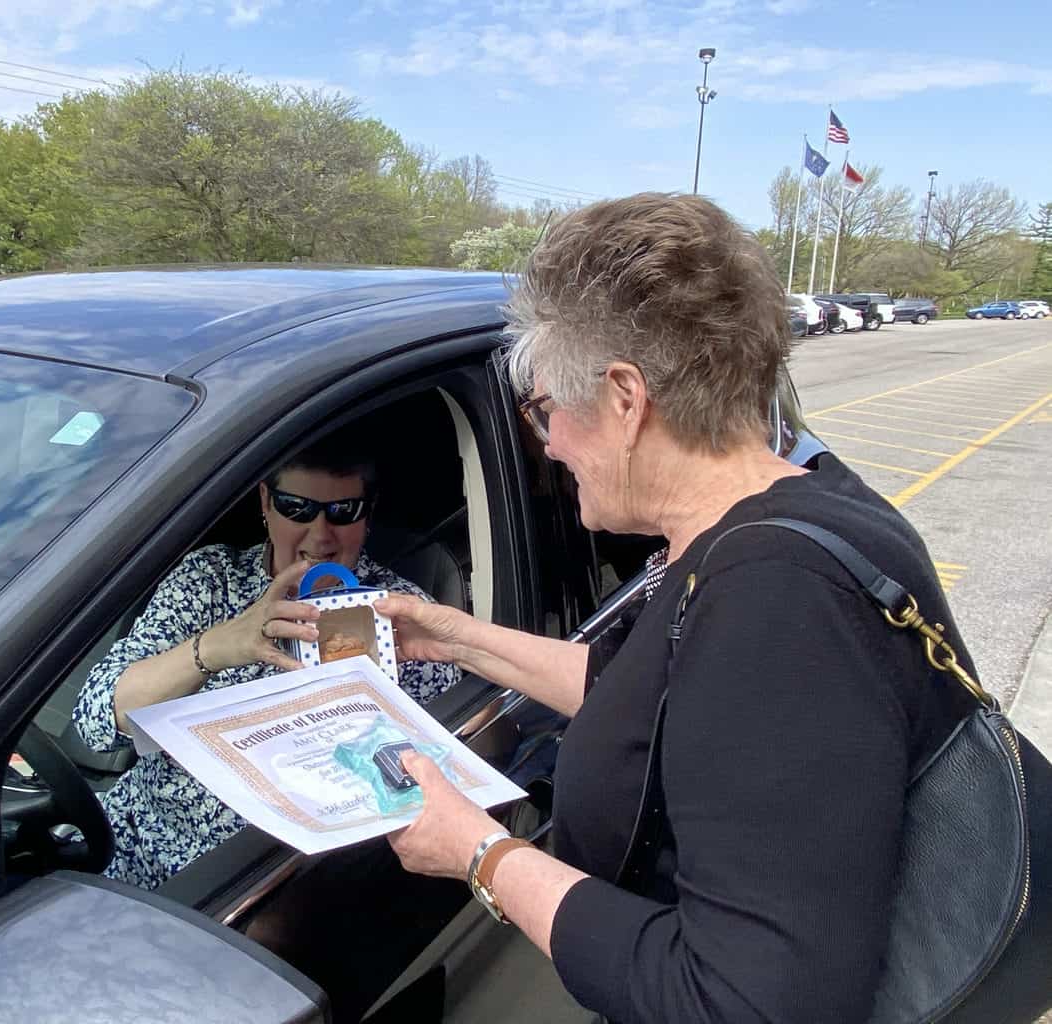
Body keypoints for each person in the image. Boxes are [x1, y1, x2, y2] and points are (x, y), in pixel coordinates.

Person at [374, 193, 974, 1023]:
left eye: (545, 411)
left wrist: (480, 854)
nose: (548, 444)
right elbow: (647, 700)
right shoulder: (795, 507)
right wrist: (453, 637)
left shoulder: (781, 602)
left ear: (624, 399)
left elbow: (746, 1005)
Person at [72, 431, 459, 891]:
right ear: (265, 503)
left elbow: (446, 759)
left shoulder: (401, 615)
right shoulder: (209, 580)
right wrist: (216, 648)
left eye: (343, 511)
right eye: (297, 508)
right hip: (133, 840)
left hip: (264, 880)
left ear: (367, 513)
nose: (320, 535)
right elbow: (96, 720)